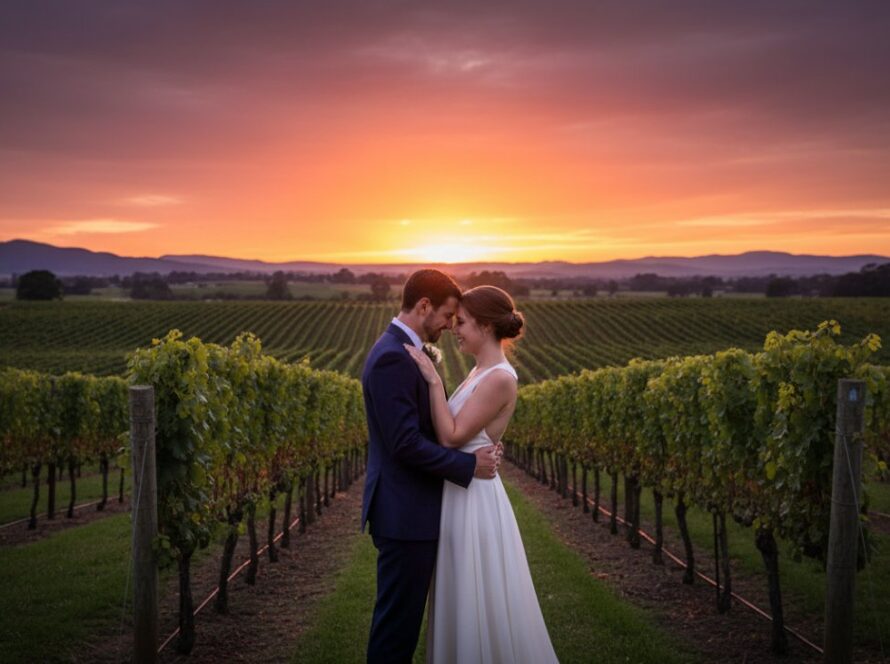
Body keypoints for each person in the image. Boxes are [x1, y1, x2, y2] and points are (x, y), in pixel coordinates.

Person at [404, 285, 559, 664]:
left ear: (487, 326)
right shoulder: (480, 371)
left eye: (463, 323)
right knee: (461, 591)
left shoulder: (500, 378)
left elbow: (452, 436)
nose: (456, 329)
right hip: (461, 490)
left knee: (476, 593)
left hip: (473, 498)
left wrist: (434, 380)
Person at [361, 269, 502, 664]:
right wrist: (466, 465)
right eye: (447, 315)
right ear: (424, 305)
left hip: (410, 512)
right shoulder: (393, 357)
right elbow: (404, 444)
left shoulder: (403, 351)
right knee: (396, 631)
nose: (448, 325)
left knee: (400, 626)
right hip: (405, 515)